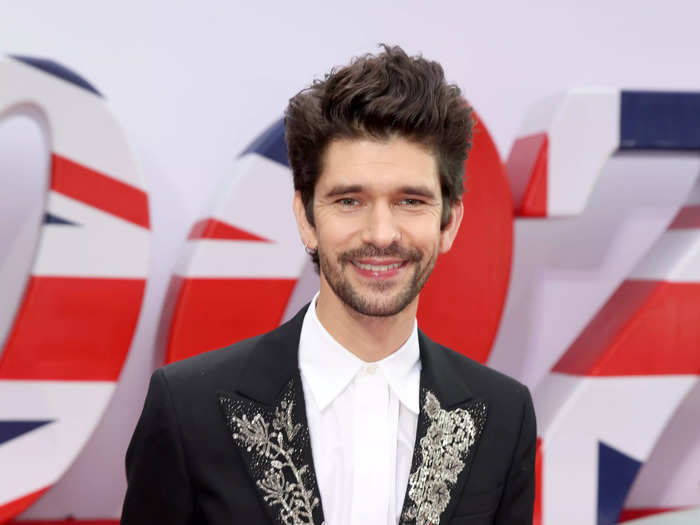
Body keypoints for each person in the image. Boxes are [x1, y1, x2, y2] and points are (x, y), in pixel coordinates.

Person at [121, 44, 536, 525]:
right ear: (306, 218)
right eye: (349, 201)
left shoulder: (503, 417)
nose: (381, 234)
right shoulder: (189, 409)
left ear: (449, 223)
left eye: (410, 202)